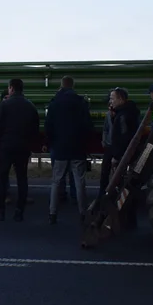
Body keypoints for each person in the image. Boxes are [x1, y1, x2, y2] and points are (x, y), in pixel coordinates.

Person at [0, 78, 40, 221]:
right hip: (23, 147)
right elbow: (35, 129)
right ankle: (19, 212)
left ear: (11, 88)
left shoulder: (4, 105)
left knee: (2, 178)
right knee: (22, 178)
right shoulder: (30, 106)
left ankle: (1, 211)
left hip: (6, 146)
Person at [45, 76, 91, 224]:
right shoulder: (81, 102)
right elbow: (87, 126)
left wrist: (49, 143)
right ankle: (83, 212)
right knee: (79, 182)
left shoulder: (54, 103)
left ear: (61, 85)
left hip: (60, 148)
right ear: (73, 85)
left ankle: (52, 213)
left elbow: (48, 126)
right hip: (77, 148)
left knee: (56, 181)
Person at [100, 87, 141, 195]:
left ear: (121, 99)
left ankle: (117, 198)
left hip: (120, 153)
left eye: (112, 98)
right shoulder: (124, 112)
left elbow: (123, 137)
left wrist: (117, 156)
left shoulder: (123, 115)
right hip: (119, 150)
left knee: (118, 176)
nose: (110, 101)